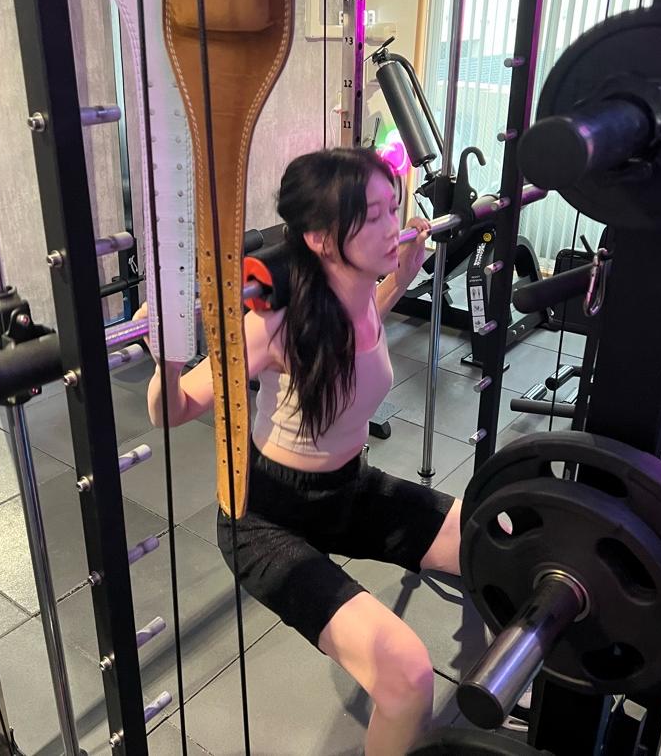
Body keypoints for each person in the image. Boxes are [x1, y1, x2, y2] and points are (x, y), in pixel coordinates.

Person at [144, 147, 462, 756]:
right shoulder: (272, 323)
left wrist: (403, 276)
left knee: (491, 538)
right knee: (407, 678)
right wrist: (168, 352)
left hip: (347, 492)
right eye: (373, 216)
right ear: (319, 238)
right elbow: (174, 409)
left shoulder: (359, 290)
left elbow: (358, 337)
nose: (393, 226)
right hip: (265, 519)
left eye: (393, 208)